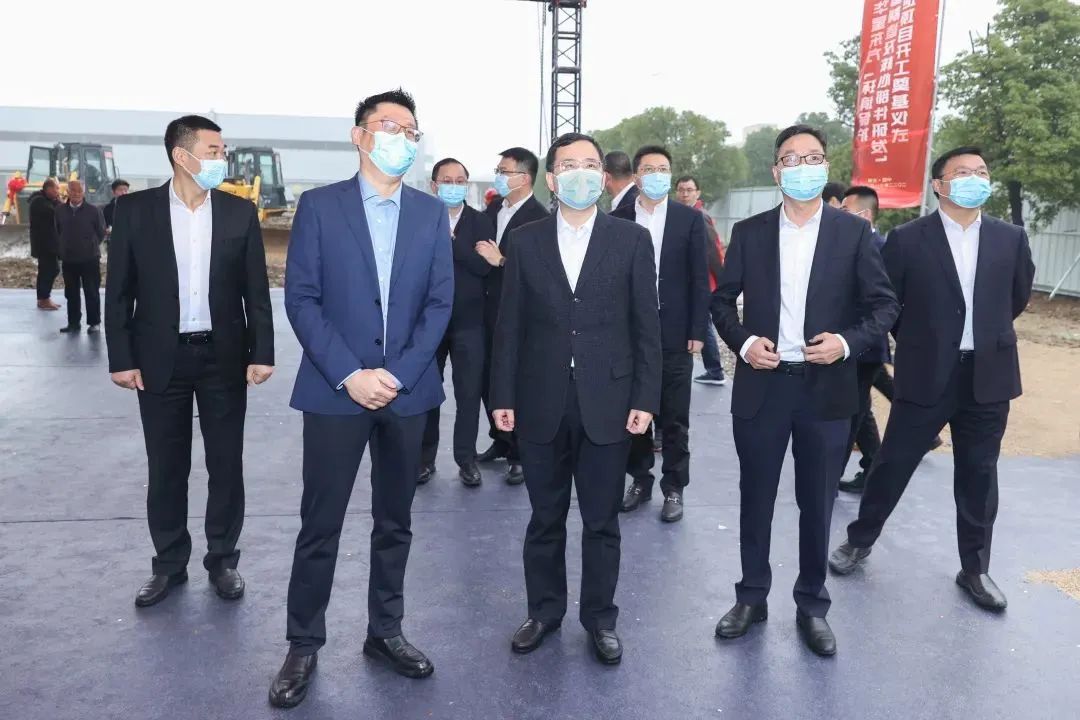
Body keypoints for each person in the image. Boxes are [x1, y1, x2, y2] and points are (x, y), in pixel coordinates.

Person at [269, 89, 453, 709]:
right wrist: (350, 373)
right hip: (335, 392)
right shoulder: (320, 206)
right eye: (387, 125)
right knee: (320, 524)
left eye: (410, 129)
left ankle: (385, 631)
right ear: (359, 135)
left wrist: (397, 374)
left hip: (407, 392)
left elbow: (439, 304)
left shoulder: (430, 214)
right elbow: (302, 298)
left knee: (395, 522)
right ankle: (303, 643)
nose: (400, 137)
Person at [711, 124, 898, 656]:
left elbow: (884, 305)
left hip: (827, 390)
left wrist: (846, 342)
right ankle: (751, 596)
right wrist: (745, 343)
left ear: (825, 167)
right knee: (756, 497)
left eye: (812, 157)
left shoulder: (853, 233)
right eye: (790, 158)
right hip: (763, 386)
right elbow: (721, 302)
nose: (802, 166)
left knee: (818, 503)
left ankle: (812, 604)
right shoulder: (750, 232)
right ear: (776, 171)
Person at [829, 147, 1035, 615]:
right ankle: (860, 540)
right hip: (926, 373)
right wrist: (924, 342)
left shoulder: (1010, 238)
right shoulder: (908, 239)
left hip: (988, 375)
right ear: (939, 185)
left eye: (981, 171)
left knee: (979, 473)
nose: (974, 178)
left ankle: (975, 568)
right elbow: (888, 303)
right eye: (962, 172)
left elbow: (1016, 296)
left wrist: (983, 334)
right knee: (893, 462)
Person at [491, 132, 661, 665]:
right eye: (569, 165)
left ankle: (600, 619)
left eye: (590, 164)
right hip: (540, 399)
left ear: (604, 178)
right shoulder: (526, 241)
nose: (581, 173)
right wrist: (501, 395)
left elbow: (646, 327)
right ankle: (543, 612)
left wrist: (645, 398)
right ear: (552, 178)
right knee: (545, 517)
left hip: (609, 400)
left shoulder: (630, 240)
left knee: (601, 520)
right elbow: (509, 325)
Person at [104, 115, 275, 608]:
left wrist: (262, 352)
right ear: (182, 156)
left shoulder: (239, 212)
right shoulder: (135, 211)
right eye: (214, 150)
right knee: (166, 465)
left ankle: (223, 560)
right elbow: (119, 292)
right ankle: (169, 563)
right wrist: (121, 358)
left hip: (224, 357)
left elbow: (256, 291)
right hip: (160, 359)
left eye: (223, 150)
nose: (223, 158)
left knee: (226, 464)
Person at [612, 146, 709, 523]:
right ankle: (640, 479)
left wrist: (697, 329)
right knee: (633, 412)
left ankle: (674, 487)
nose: (656, 174)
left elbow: (699, 278)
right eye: (648, 168)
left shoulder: (689, 219)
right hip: (628, 334)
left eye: (663, 168)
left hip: (674, 333)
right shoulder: (618, 218)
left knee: (674, 416)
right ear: (636, 176)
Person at [420, 158, 499, 487]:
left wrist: (451, 243)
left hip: (469, 321)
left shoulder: (481, 221)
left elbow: (483, 267)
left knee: (469, 394)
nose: (453, 186)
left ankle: (466, 460)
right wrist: (464, 250)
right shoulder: (420, 218)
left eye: (459, 181)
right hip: (428, 322)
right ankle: (424, 459)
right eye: (446, 180)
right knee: (427, 392)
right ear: (434, 185)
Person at [478, 147, 549, 484]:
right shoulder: (494, 209)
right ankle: (501, 439)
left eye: (503, 171)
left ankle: (520, 453)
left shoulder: (540, 218)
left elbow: (541, 275)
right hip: (487, 310)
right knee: (489, 380)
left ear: (524, 177)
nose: (498, 176)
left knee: (517, 383)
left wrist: (502, 261)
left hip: (522, 316)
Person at [675, 175, 728, 386]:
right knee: (703, 322)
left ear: (698, 193)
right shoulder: (685, 215)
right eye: (681, 190)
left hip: (704, 283)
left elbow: (713, 252)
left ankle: (715, 371)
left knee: (703, 324)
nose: (685, 194)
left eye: (689, 190)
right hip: (694, 283)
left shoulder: (699, 216)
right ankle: (714, 370)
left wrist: (722, 283)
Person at [55, 180, 106, 333]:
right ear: (67, 192)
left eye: (79, 191)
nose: (76, 194)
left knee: (91, 291)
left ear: (83, 193)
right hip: (69, 259)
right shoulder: (60, 210)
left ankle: (94, 323)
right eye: (73, 191)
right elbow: (57, 230)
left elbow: (101, 232)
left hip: (89, 259)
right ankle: (73, 323)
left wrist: (89, 245)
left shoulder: (93, 210)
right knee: (71, 293)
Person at [29, 178, 62, 311]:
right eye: (56, 188)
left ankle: (44, 298)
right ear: (48, 189)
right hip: (44, 244)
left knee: (51, 269)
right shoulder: (39, 202)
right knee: (49, 270)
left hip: (50, 243)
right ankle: (43, 299)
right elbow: (55, 213)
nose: (58, 191)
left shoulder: (47, 201)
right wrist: (59, 202)